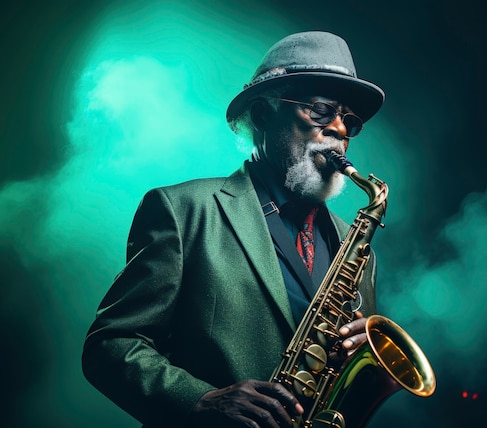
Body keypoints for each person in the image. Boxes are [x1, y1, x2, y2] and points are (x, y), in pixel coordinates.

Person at [82, 31, 386, 428]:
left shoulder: (356, 245)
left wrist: (361, 358)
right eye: (321, 110)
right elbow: (109, 345)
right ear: (263, 114)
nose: (340, 131)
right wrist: (200, 401)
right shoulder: (181, 209)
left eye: (350, 121)